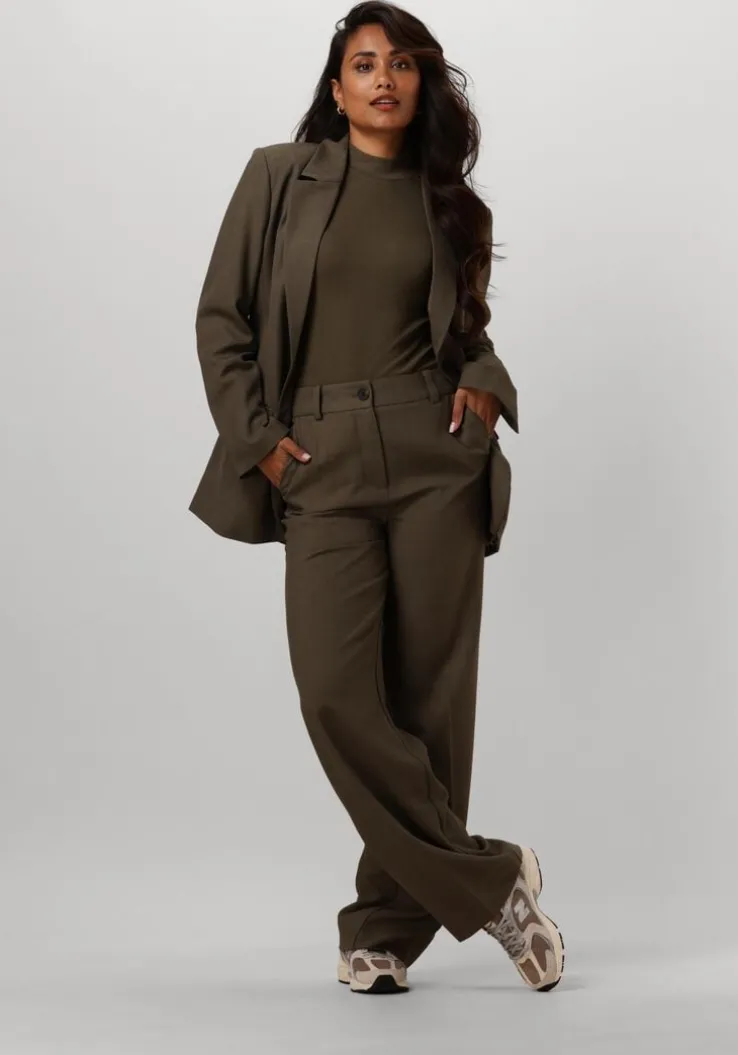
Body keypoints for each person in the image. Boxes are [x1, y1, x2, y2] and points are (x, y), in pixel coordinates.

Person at [189, 0, 564, 995]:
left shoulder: (451, 203)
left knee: (430, 699)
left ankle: (385, 930)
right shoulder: (280, 177)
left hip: (436, 455)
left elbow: (466, 334)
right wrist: (261, 444)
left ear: (421, 82)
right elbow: (222, 318)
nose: (384, 79)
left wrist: (487, 383)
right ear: (336, 85)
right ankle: (493, 881)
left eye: (401, 63)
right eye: (364, 64)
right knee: (336, 692)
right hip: (319, 460)